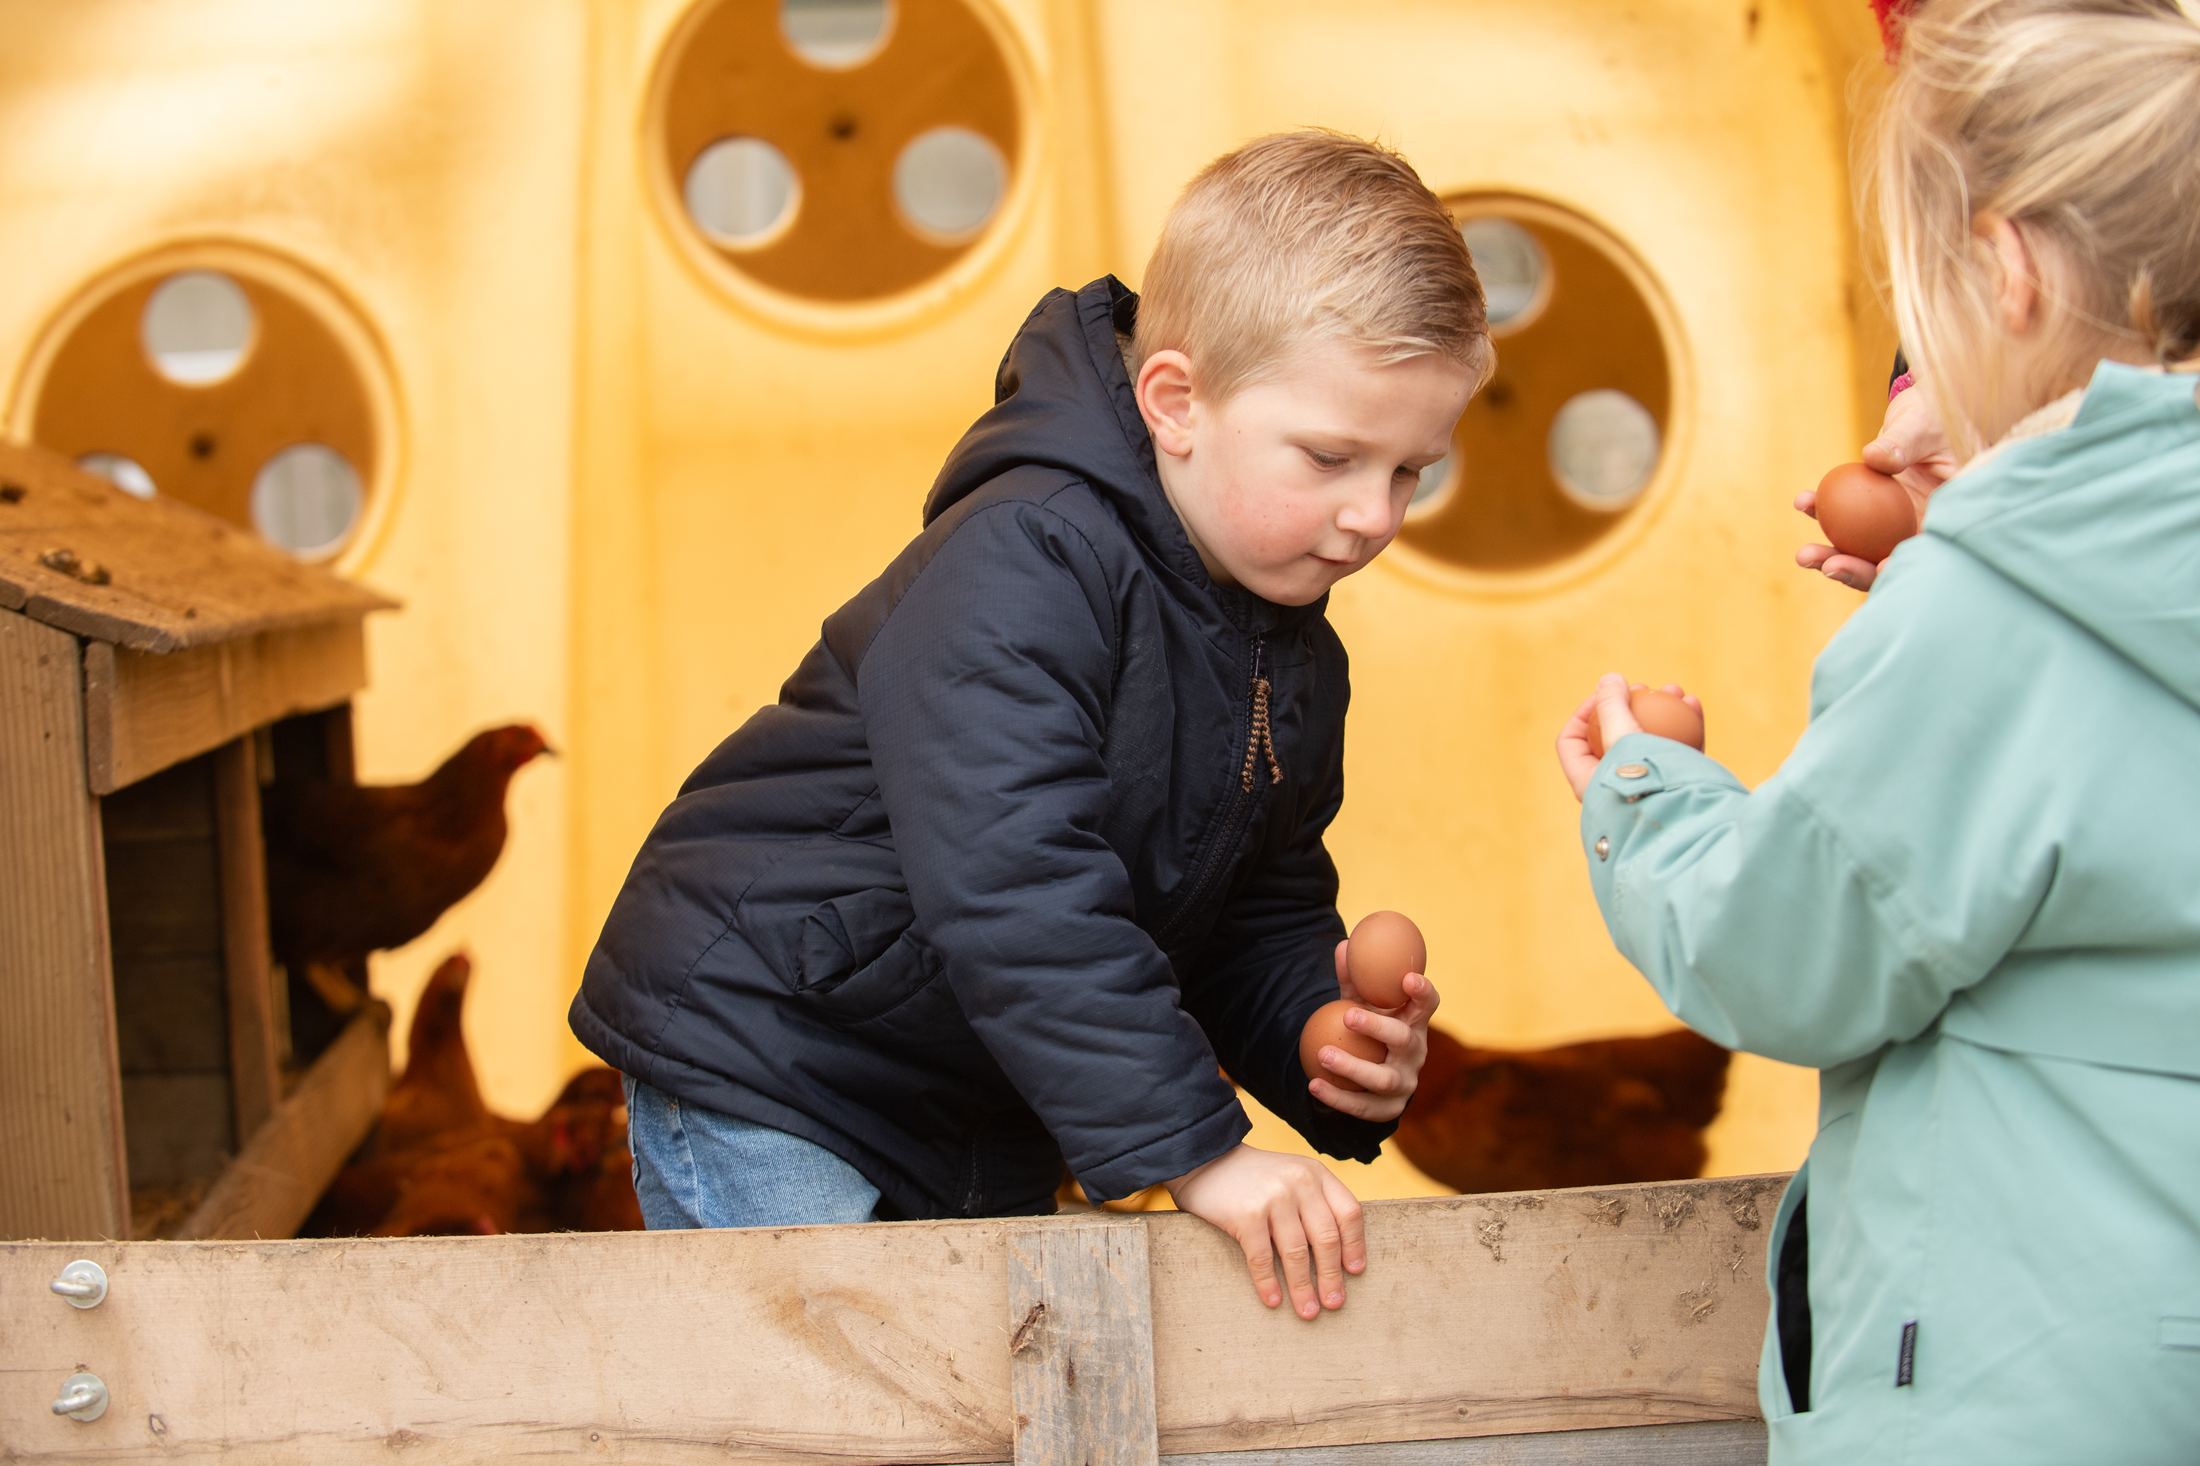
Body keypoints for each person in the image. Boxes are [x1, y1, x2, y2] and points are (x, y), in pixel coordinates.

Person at [572, 130, 1489, 1322]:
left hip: (965, 1089)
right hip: (777, 1049)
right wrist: (1198, 1152)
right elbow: (1013, 879)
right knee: (839, 1398)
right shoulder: (1027, 556)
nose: (1373, 515)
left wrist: (1315, 1033)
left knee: (981, 1398)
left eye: (1412, 470)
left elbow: (1247, 902)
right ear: (1176, 402)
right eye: (1330, 456)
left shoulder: (1289, 642)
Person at [1555, 1, 2200, 1459]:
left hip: (2024, 1382)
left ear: (2006, 270)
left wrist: (1648, 800)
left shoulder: (2001, 611)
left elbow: (1790, 946)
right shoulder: (2069, 585)